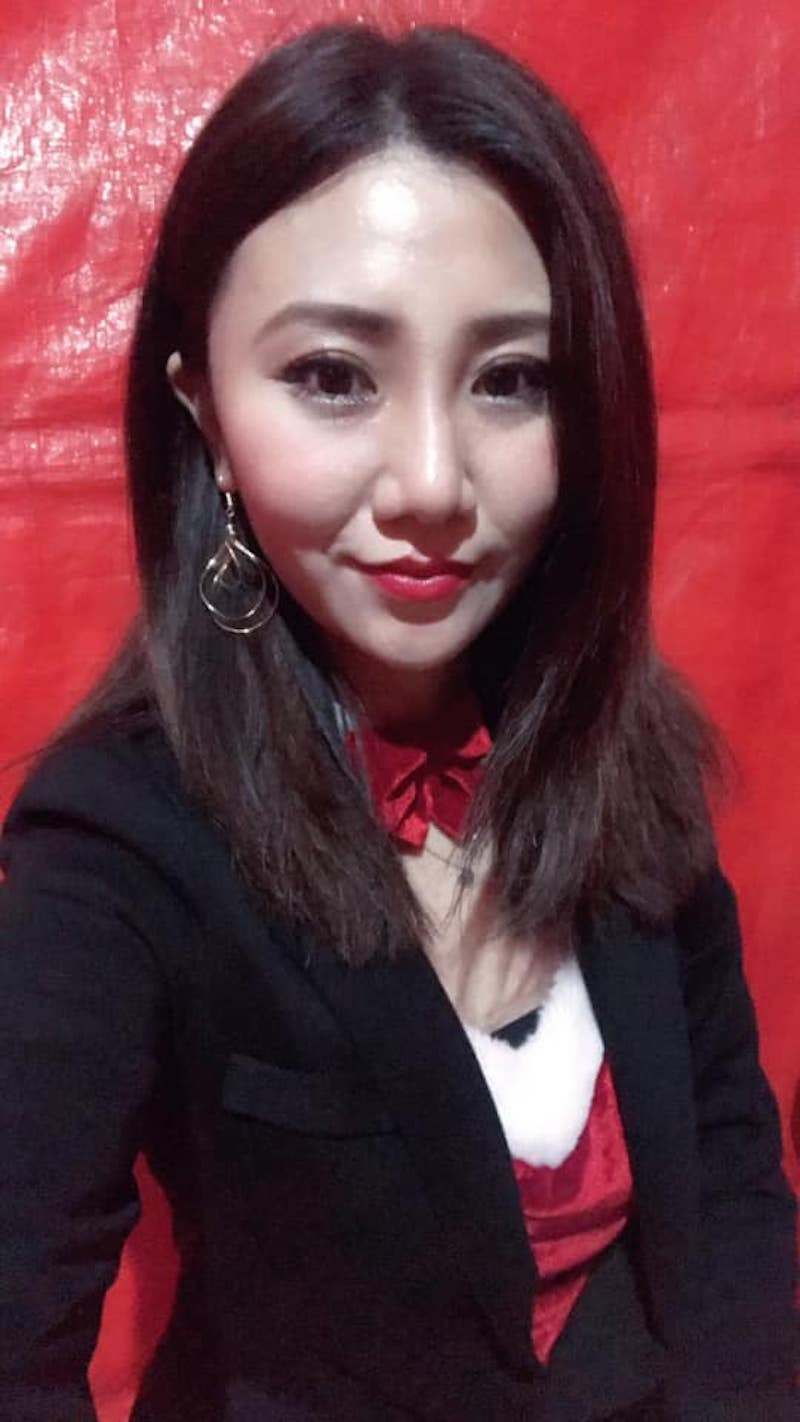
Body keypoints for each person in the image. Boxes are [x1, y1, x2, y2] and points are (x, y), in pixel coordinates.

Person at [0, 20, 795, 1422]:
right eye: (332, 376)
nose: (431, 482)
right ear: (204, 410)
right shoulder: (115, 839)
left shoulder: (625, 747)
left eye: (512, 379)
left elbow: (731, 1185)